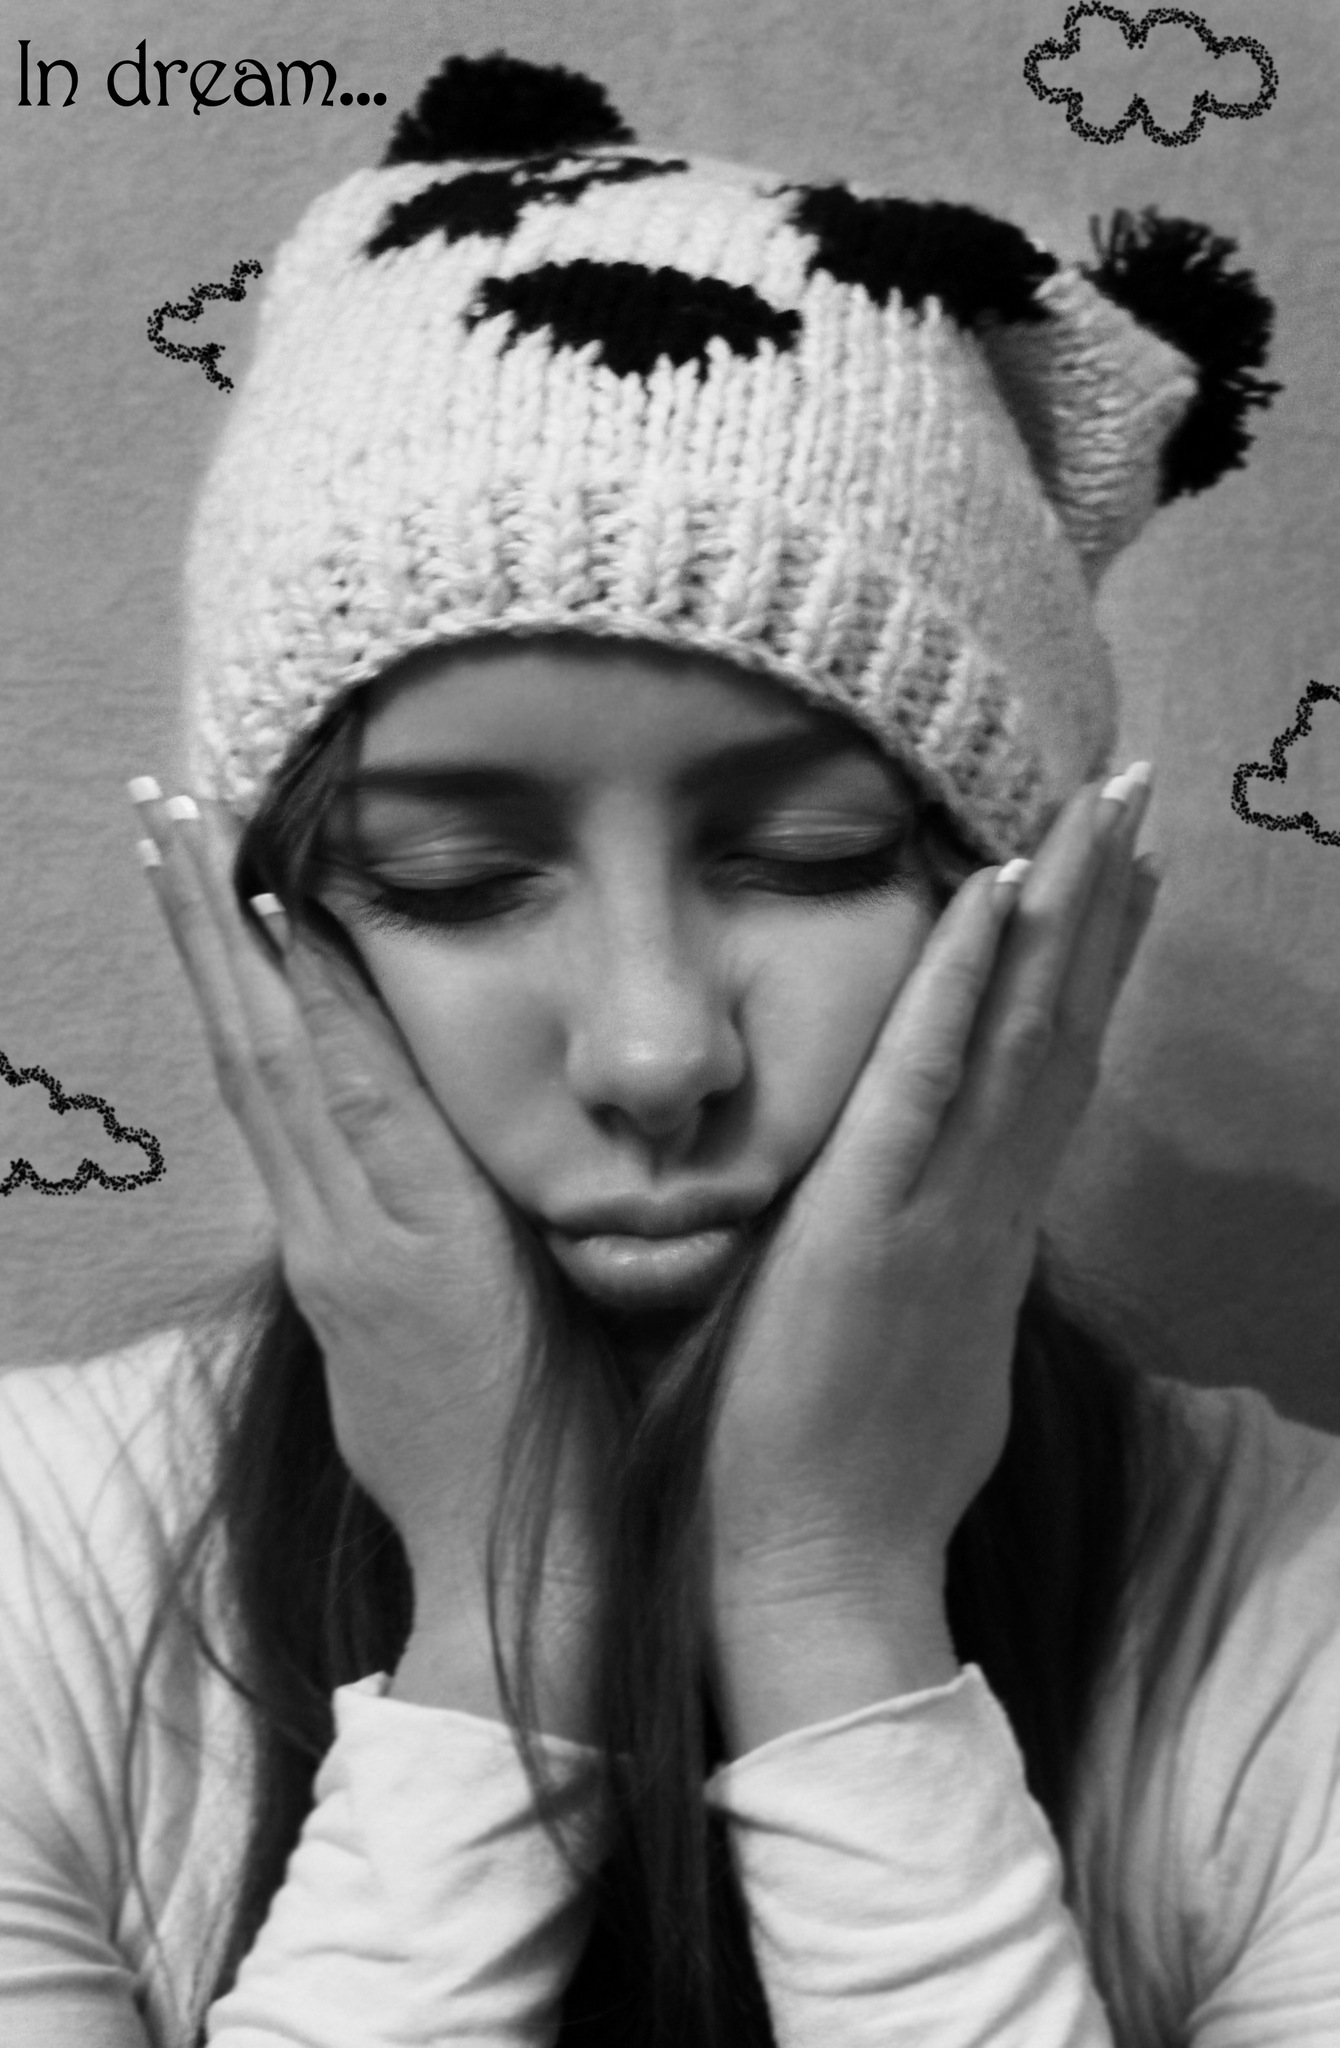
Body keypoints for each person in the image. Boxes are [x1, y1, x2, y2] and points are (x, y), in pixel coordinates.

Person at [1, 45, 1332, 2048]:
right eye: (452, 880)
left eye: (810, 857)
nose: (651, 1051)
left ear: (1045, 922)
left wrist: (834, 1616)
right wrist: (493, 1653)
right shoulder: (32, 1565)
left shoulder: (1297, 1614)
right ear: (251, 938)